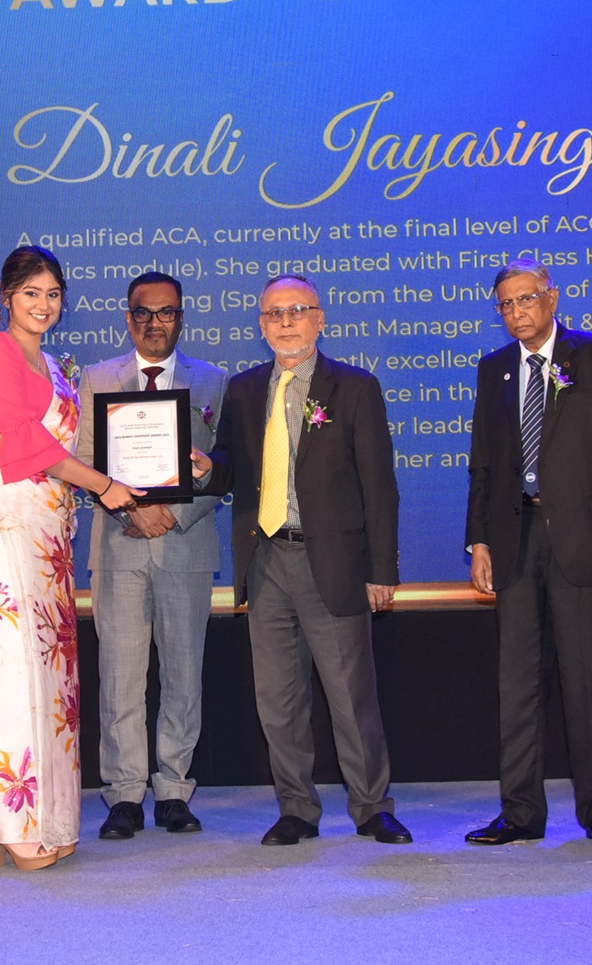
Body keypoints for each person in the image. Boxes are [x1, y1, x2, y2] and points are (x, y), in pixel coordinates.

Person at [0, 245, 142, 871]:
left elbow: (75, 446)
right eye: (31, 293)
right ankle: (9, 819)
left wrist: (161, 468)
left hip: (47, 523)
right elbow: (20, 440)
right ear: (6, 297)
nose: (43, 304)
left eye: (53, 294)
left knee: (48, 671)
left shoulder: (57, 366)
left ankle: (47, 815)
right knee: (7, 666)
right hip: (0, 514)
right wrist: (104, 486)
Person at [201, 274, 410, 847]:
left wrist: (382, 570)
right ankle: (296, 808)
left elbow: (379, 486)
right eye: (274, 313)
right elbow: (230, 466)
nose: (286, 322)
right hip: (266, 560)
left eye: (297, 310)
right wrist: (206, 467)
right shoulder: (244, 389)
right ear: (261, 325)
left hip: (334, 563)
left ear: (320, 319)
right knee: (278, 699)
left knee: (350, 696)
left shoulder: (355, 387)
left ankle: (372, 807)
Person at [463, 259, 592, 848]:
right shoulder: (494, 369)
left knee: (588, 680)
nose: (516, 312)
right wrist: (479, 540)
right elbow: (483, 464)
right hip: (514, 542)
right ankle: (520, 812)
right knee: (517, 685)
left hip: (585, 542)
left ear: (552, 298)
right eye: (506, 304)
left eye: (526, 299)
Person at [76, 271, 228, 839]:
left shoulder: (213, 381)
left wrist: (176, 514)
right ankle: (124, 794)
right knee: (120, 678)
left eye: (167, 313)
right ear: (128, 318)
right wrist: (130, 512)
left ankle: (173, 789)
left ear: (181, 318)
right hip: (119, 546)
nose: (155, 323)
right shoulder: (97, 379)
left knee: (184, 676)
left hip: (186, 545)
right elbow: (84, 462)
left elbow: (225, 468)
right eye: (144, 312)